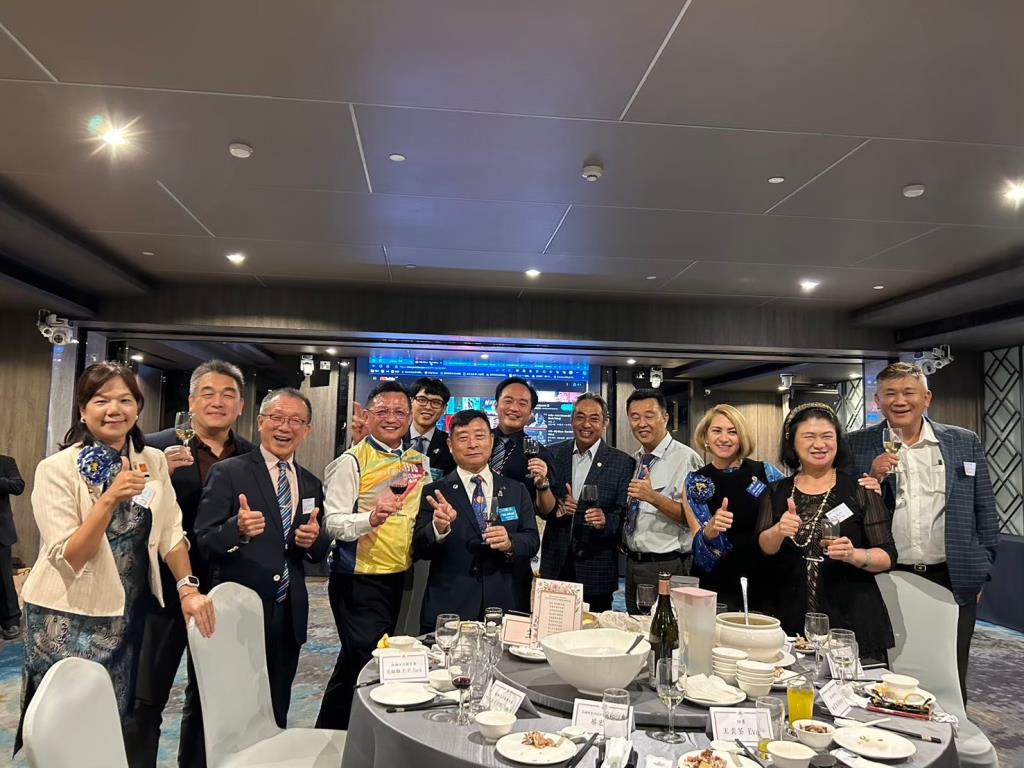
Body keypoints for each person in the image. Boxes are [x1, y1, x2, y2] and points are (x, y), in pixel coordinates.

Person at [17, 362, 215, 753]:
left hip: (126, 613)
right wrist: (109, 499)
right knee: (65, 725)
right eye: (101, 400)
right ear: (82, 410)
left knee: (113, 717)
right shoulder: (55, 469)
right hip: (66, 614)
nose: (114, 410)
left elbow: (171, 532)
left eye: (125, 400)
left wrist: (187, 588)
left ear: (137, 408)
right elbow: (69, 557)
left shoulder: (152, 460)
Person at [843, 362, 999, 702]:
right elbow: (843, 510)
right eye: (890, 394)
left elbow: (984, 509)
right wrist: (872, 476)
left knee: (950, 672)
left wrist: (980, 570)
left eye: (908, 392)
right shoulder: (856, 445)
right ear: (877, 401)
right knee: (884, 673)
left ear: (926, 398)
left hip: (951, 576)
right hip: (883, 576)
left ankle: (950, 730)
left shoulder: (963, 442)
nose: (900, 401)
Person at [128, 360, 253, 768]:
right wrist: (155, 476)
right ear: (191, 401)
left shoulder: (251, 456)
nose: (218, 402)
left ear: (240, 406)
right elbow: (128, 516)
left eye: (228, 395)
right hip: (162, 593)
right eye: (208, 393)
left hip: (222, 594)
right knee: (145, 701)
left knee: (209, 702)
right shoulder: (151, 449)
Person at [195, 387, 328, 727]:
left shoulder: (311, 483)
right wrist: (236, 529)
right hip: (239, 610)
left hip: (288, 610)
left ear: (307, 430)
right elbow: (204, 539)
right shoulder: (229, 472)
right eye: (277, 418)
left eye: (296, 421)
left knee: (276, 704)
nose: (285, 427)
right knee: (230, 709)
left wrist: (313, 541)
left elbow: (316, 550)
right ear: (260, 422)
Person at [316, 381, 428, 730]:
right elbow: (332, 523)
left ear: (410, 418)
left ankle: (331, 731)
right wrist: (370, 518)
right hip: (358, 578)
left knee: (356, 662)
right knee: (367, 662)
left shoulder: (417, 462)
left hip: (400, 576)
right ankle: (358, 736)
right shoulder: (351, 461)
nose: (391, 418)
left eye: (399, 412)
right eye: (383, 411)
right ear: (367, 415)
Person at [757, 402, 895, 661]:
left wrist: (855, 555)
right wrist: (778, 531)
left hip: (851, 616)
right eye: (809, 436)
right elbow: (764, 548)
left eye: (827, 436)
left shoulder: (860, 490)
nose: (819, 444)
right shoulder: (776, 491)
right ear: (792, 444)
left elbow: (887, 555)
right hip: (789, 612)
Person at [414, 410, 539, 631]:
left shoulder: (516, 490)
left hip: (507, 602)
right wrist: (438, 528)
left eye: (479, 436)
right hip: (451, 604)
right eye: (463, 438)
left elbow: (531, 540)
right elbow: (419, 548)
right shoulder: (434, 492)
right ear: (450, 445)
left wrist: (510, 542)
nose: (472, 444)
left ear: (491, 440)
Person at [684, 405, 786, 612]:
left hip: (764, 578)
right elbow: (699, 551)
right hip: (716, 583)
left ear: (742, 437)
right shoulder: (695, 482)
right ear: (705, 436)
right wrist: (710, 530)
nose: (724, 438)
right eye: (716, 431)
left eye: (732, 431)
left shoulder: (766, 473)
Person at [541, 393, 634, 612]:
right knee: (552, 626)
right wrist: (557, 507)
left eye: (594, 418)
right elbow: (542, 505)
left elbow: (624, 515)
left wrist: (605, 521)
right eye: (580, 417)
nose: (586, 424)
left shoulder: (622, 462)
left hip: (597, 568)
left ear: (605, 423)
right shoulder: (553, 454)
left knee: (594, 631)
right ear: (572, 420)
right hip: (556, 564)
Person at [622, 388, 702, 613]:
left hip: (668, 565)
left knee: (667, 629)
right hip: (633, 563)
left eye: (649, 416)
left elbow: (694, 519)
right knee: (636, 625)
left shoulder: (685, 458)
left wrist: (653, 497)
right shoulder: (637, 459)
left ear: (665, 418)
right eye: (635, 417)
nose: (642, 423)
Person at [490, 377, 559, 610]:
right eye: (508, 401)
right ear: (496, 405)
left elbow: (548, 511)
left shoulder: (540, 452)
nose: (514, 408)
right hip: (471, 541)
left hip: (514, 548)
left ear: (531, 413)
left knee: (512, 616)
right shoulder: (477, 442)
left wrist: (542, 484)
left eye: (522, 403)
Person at [408, 377, 456, 481]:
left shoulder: (450, 445)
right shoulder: (394, 439)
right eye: (422, 400)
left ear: (444, 408)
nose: (428, 407)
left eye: (436, 402)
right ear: (411, 402)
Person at [0, 454, 24, 640]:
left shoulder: (6, 462)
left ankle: (11, 621)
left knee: (3, 578)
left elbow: (18, 486)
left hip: (0, 531)